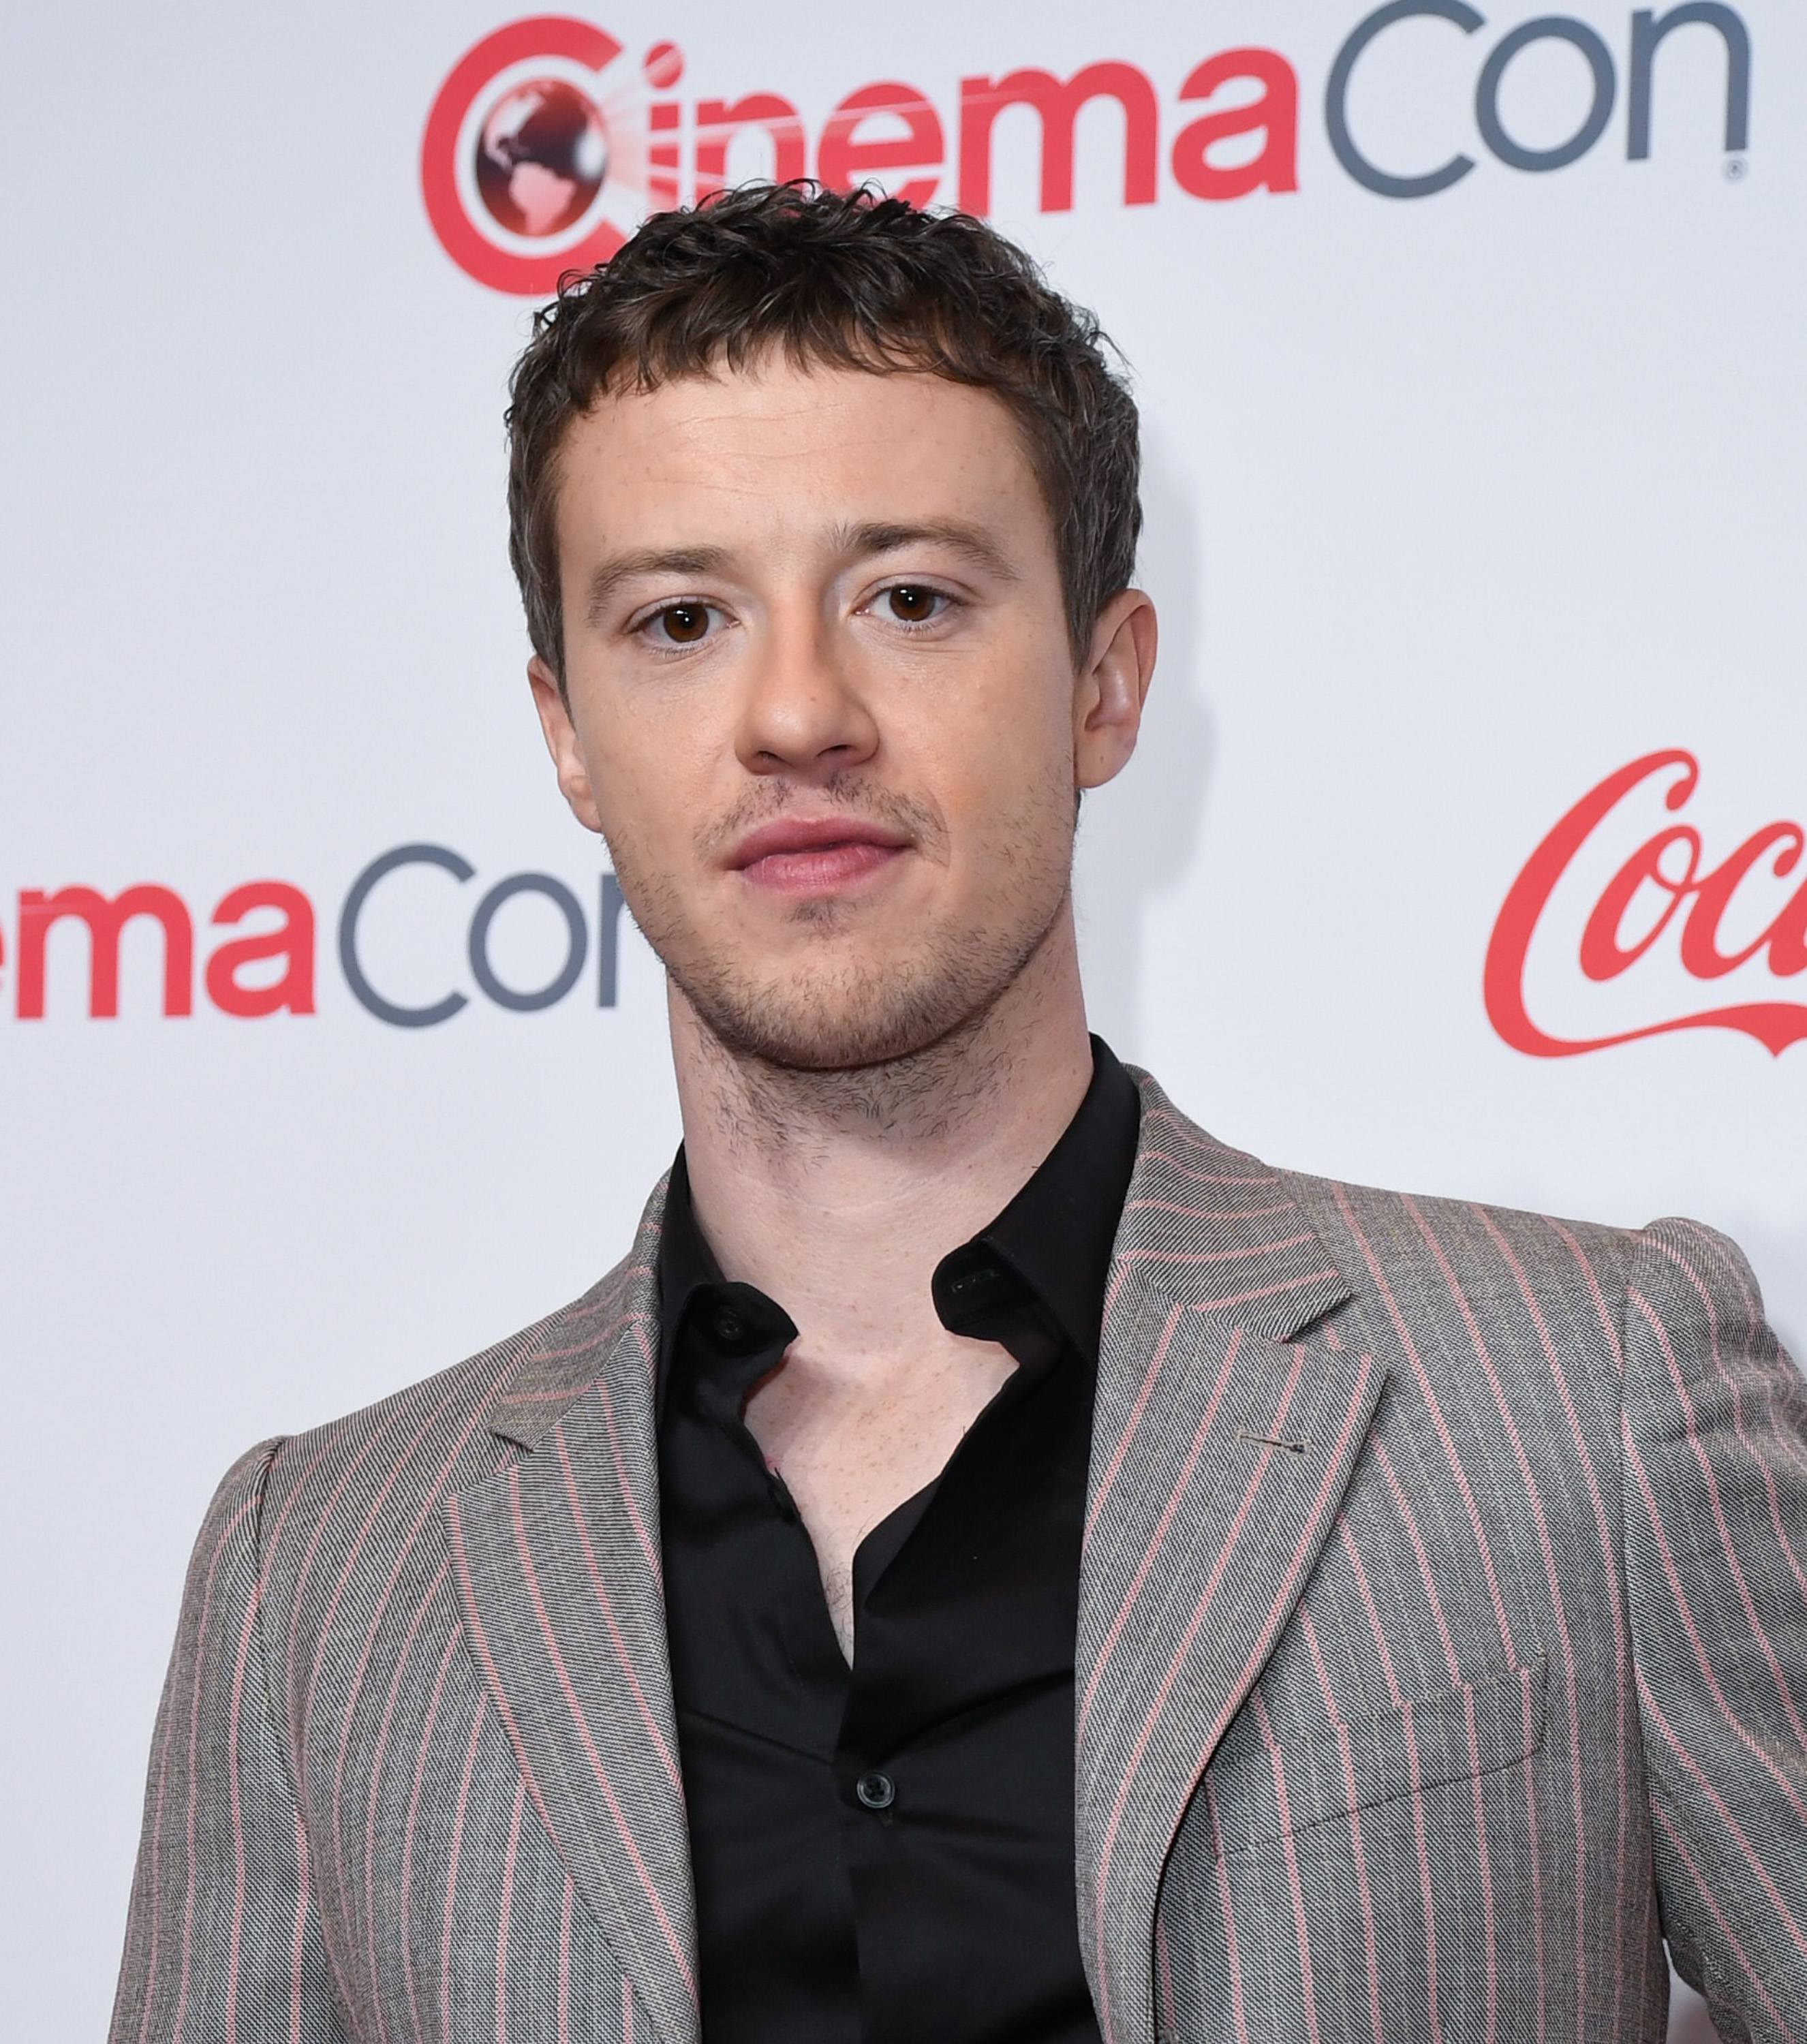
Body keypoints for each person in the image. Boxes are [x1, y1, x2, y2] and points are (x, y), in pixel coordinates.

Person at [111, 183, 1807, 2044]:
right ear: (567, 736)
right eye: (680, 620)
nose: (795, 713)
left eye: (907, 599)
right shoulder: (319, 1572)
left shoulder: (1583, 1386)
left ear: (1102, 679)